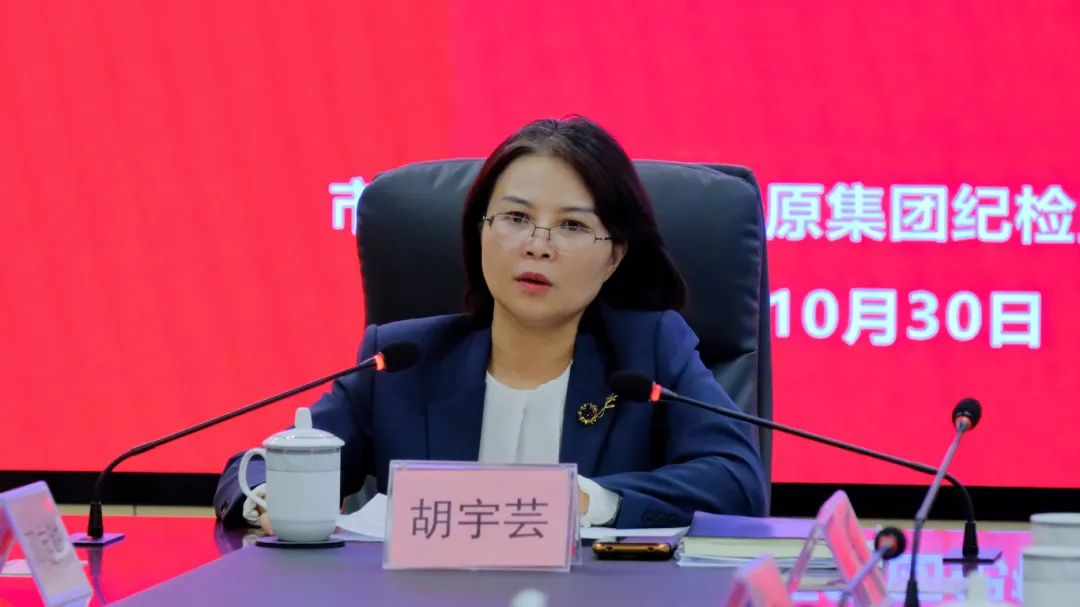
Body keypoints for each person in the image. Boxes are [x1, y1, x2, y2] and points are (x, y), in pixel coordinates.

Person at [214, 116, 766, 531]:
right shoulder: (402, 362)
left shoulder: (648, 351)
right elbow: (253, 470)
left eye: (572, 226)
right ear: (480, 231)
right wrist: (266, 499)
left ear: (614, 256)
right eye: (516, 218)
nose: (537, 246)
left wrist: (587, 502)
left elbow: (737, 480)